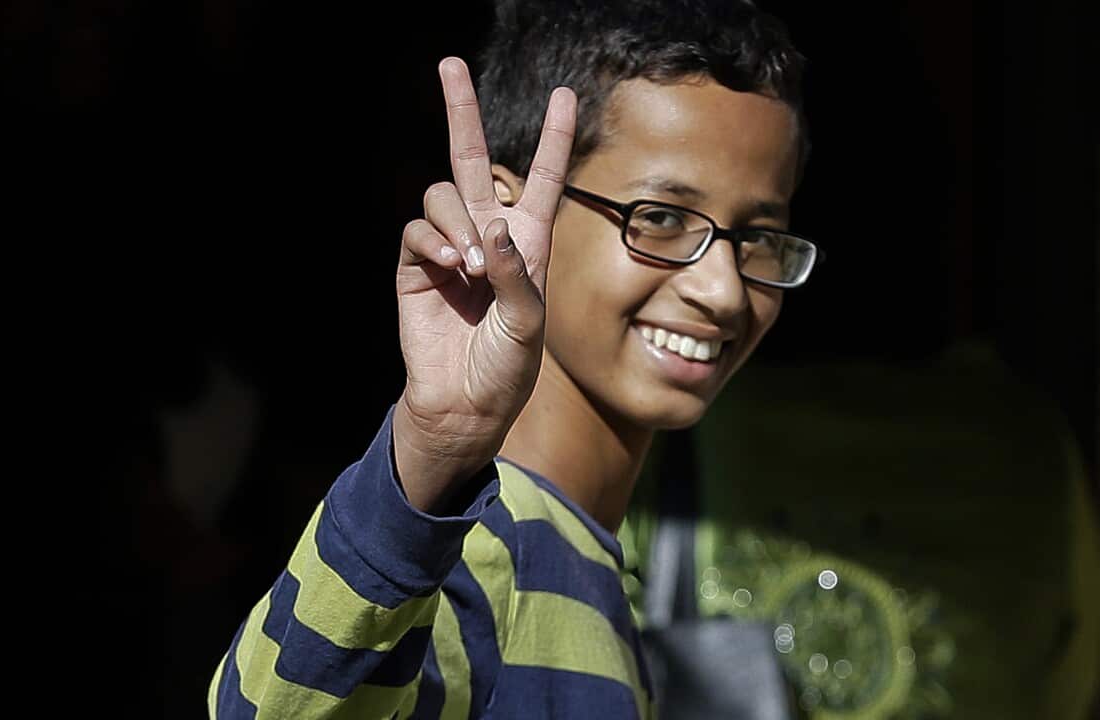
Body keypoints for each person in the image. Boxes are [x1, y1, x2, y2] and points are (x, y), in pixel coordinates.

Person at [208, 1, 818, 717]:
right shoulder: (477, 562)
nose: (723, 291)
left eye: (757, 236)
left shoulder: (587, 577)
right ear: (507, 215)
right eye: (660, 217)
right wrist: (433, 451)